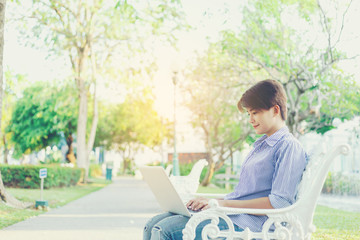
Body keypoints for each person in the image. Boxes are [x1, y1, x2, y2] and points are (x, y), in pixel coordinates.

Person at [143, 79, 308, 240]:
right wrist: (211, 201)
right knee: (152, 224)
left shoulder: (289, 147)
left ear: (275, 110)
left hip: (253, 227)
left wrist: (222, 204)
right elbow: (241, 196)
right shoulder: (261, 146)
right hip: (234, 217)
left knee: (164, 230)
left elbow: (279, 203)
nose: (251, 119)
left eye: (255, 113)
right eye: (249, 114)